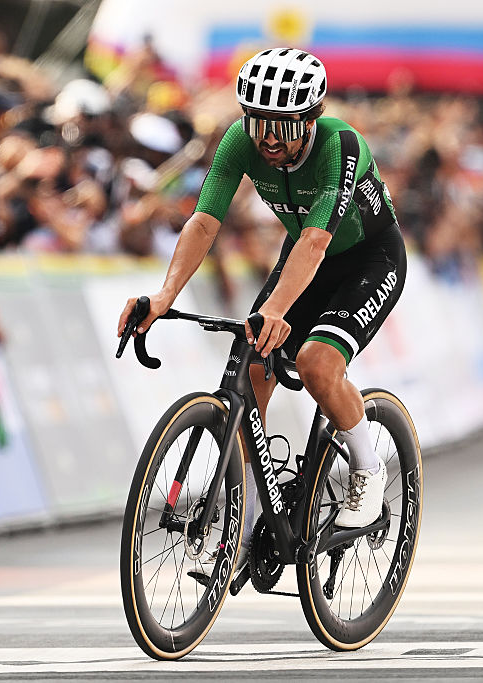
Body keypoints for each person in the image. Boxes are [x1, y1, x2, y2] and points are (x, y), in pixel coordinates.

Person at [117, 47, 407, 574]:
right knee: (253, 367)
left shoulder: (339, 144)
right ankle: (251, 512)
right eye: (259, 123)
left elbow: (317, 240)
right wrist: (164, 297)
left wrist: (274, 310)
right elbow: (205, 222)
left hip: (367, 259)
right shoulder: (238, 141)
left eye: (284, 125)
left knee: (319, 364)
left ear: (311, 118)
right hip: (303, 257)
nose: (269, 138)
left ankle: (368, 472)